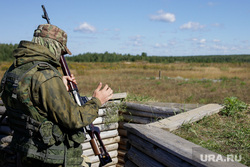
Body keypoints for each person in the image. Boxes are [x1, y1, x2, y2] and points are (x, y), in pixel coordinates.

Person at [0, 24, 113, 167]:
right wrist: (97, 100)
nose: (60, 56)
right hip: (50, 157)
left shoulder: (16, 69)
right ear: (53, 46)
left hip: (25, 152)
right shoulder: (46, 75)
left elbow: (30, 100)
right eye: (61, 51)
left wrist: (58, 84)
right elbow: (74, 119)